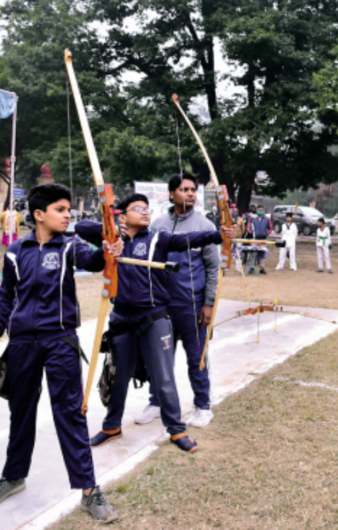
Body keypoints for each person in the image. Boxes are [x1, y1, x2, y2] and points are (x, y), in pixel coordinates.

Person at [0, 183, 122, 522]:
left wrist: (109, 246)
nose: (67, 214)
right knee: (21, 411)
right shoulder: (16, 252)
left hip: (60, 342)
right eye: (60, 209)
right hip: (22, 344)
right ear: (38, 215)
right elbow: (5, 299)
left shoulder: (70, 246)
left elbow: (96, 258)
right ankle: (13, 476)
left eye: (68, 209)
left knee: (70, 414)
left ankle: (89, 490)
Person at [75, 192, 233, 452]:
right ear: (123, 216)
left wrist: (221, 234)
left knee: (164, 377)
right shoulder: (112, 238)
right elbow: (81, 227)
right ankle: (111, 425)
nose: (146, 212)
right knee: (118, 377)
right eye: (138, 208)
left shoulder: (159, 238)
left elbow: (191, 239)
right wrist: (115, 231)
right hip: (122, 318)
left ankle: (176, 430)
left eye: (147, 208)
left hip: (154, 317)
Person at [148, 173, 222, 430]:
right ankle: (156, 401)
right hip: (162, 306)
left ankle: (202, 406)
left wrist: (209, 303)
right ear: (171, 194)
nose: (190, 194)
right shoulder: (157, 225)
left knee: (196, 358)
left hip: (193, 306)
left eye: (193, 190)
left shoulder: (206, 226)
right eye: (184, 189)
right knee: (159, 357)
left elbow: (214, 268)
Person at [245, 205, 272, 274]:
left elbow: (271, 228)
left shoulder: (267, 219)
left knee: (263, 253)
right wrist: (252, 233)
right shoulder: (253, 219)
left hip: (263, 239)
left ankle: (262, 268)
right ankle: (251, 267)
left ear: (264, 211)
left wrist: (266, 233)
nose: (260, 211)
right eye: (259, 209)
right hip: (254, 239)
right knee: (252, 253)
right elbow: (248, 227)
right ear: (256, 210)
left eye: (261, 210)